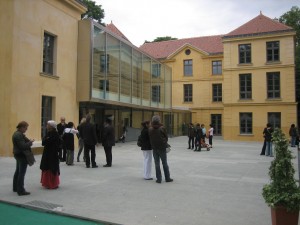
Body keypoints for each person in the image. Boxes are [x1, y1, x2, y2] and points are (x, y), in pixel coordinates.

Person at [148, 115, 173, 183]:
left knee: (157, 164)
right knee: (164, 163)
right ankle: (167, 178)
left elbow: (150, 138)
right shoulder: (162, 128)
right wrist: (164, 142)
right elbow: (166, 137)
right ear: (159, 121)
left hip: (154, 148)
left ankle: (159, 179)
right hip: (162, 148)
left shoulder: (150, 129)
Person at [12, 121, 35, 196]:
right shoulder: (18, 135)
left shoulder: (19, 134)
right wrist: (30, 142)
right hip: (21, 155)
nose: (26, 129)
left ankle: (15, 187)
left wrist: (27, 139)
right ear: (21, 127)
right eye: (25, 128)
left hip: (18, 154)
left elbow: (24, 142)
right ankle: (20, 190)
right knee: (21, 173)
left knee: (18, 171)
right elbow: (23, 146)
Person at [40, 120, 61, 189]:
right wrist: (46, 139)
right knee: (46, 166)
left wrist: (47, 139)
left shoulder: (55, 134)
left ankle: (52, 183)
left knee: (51, 167)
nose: (46, 126)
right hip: (47, 153)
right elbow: (43, 142)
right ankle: (47, 183)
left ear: (51, 126)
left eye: (48, 125)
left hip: (52, 153)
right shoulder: (48, 133)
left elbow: (48, 141)